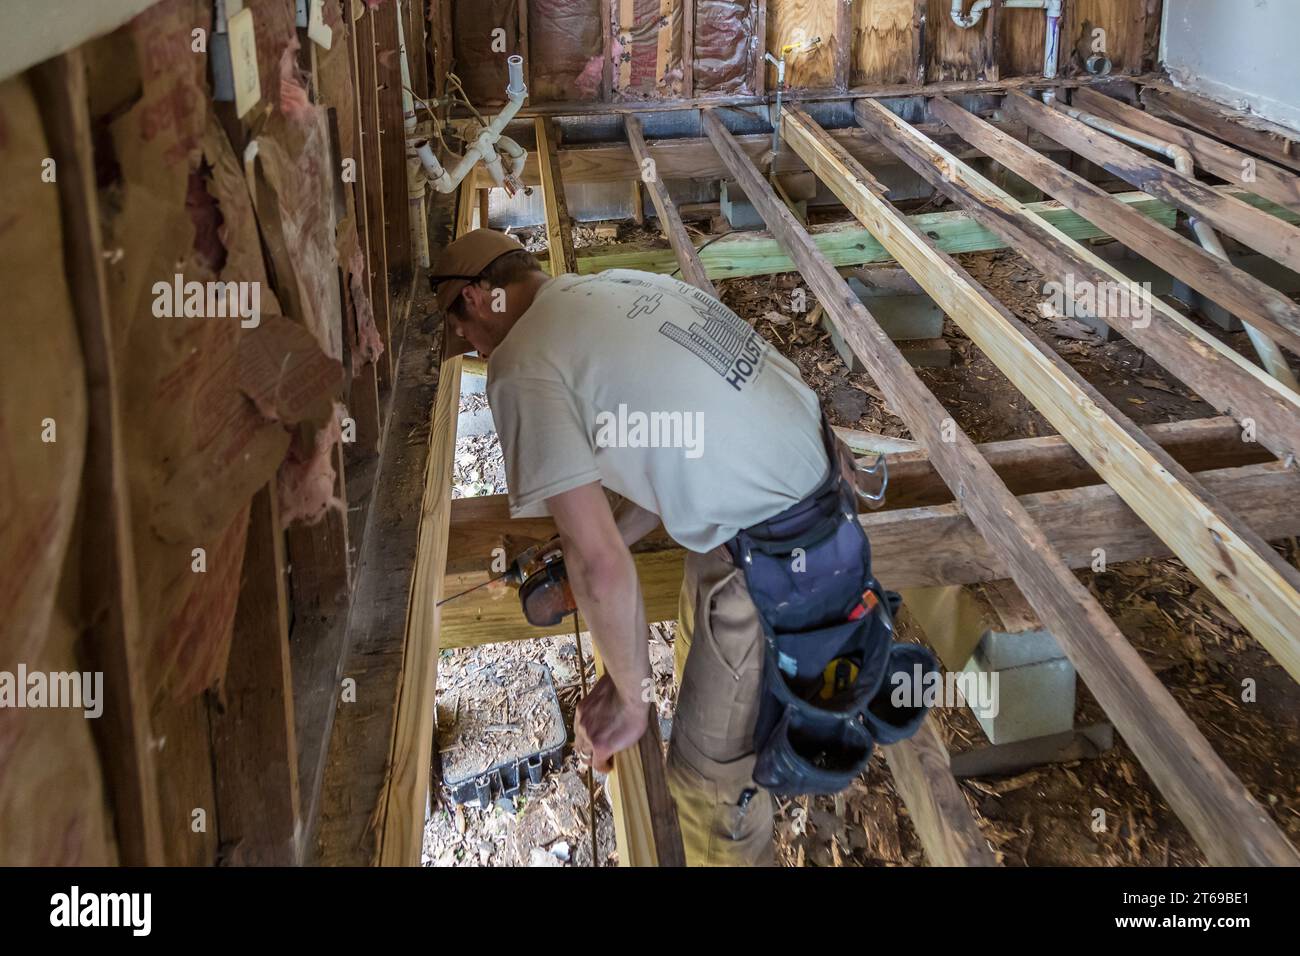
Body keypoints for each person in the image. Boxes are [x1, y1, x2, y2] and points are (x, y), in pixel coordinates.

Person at [430, 229, 924, 866]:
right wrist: (600, 541)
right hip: (815, 492)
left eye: (460, 329)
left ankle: (730, 777)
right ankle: (739, 697)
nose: (469, 345)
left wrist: (630, 696)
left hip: (773, 549)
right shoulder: (614, 288)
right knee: (698, 621)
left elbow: (600, 564)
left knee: (702, 789)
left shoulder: (520, 362)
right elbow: (671, 458)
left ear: (475, 297)